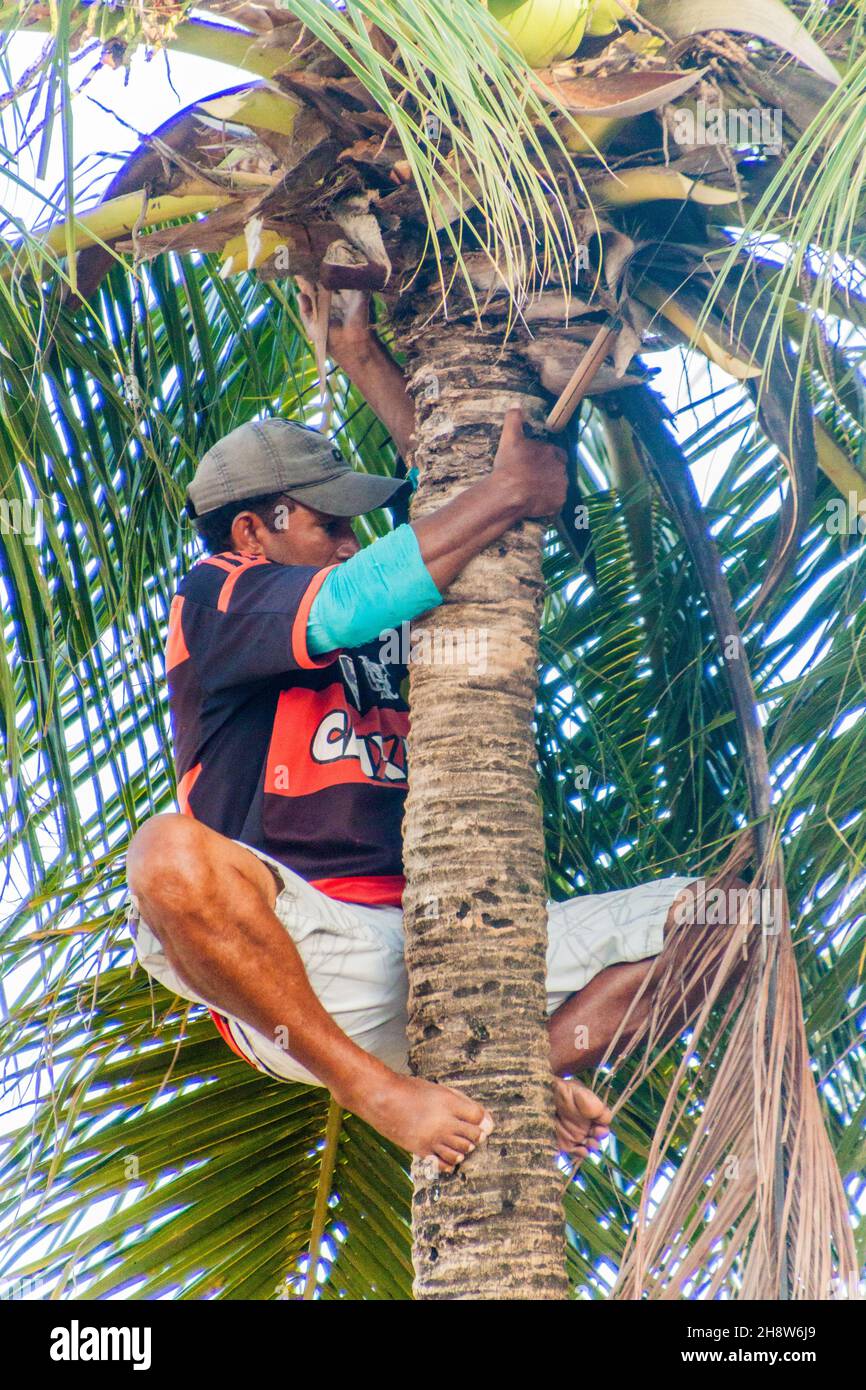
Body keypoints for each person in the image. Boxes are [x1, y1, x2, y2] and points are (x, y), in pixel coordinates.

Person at [126, 286, 735, 1173]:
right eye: (328, 523)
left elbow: (455, 487)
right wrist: (503, 494)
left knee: (730, 916)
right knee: (164, 856)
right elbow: (373, 582)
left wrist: (365, 359)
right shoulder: (218, 593)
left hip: (451, 944)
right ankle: (375, 1092)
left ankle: (523, 1079)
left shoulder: (398, 619)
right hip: (304, 962)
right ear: (254, 531)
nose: (348, 540)